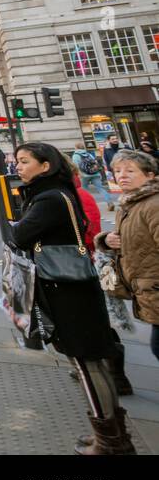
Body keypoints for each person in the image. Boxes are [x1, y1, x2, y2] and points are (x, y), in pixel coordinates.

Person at [9, 142, 134, 455]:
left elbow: (20, 235)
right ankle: (113, 436)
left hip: (66, 290)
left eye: (24, 162)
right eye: (17, 162)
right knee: (93, 363)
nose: (18, 168)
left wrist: (21, 220)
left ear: (46, 166)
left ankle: (110, 443)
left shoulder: (49, 198)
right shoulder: (61, 192)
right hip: (76, 286)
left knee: (86, 366)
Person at [100, 149, 159, 366]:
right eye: (117, 171)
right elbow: (133, 238)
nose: (122, 175)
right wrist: (106, 240)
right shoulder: (130, 203)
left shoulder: (153, 204)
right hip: (147, 290)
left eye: (130, 170)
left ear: (150, 175)